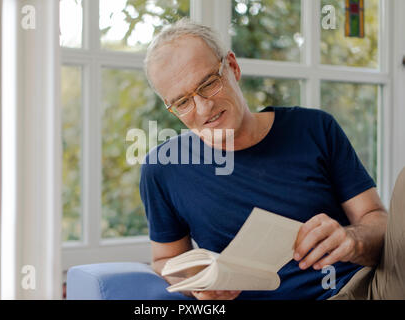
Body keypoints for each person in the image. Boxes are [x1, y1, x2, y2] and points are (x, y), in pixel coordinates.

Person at [139, 18, 402, 300]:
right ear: (172, 108)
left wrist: (353, 240)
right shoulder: (163, 168)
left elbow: (376, 220)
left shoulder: (315, 128)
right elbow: (164, 260)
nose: (204, 108)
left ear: (233, 67)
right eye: (182, 102)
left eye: (209, 84)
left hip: (361, 290)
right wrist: (198, 282)